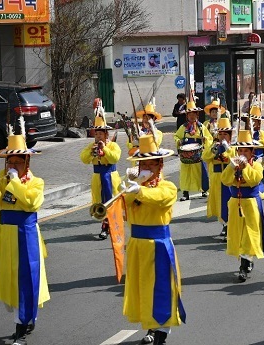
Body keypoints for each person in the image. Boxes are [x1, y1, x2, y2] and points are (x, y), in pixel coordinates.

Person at [0, 121, 48, 345]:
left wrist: (14, 182)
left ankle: (21, 327)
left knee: (26, 279)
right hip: (5, 235)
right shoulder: (4, 178)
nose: (12, 165)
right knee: (9, 280)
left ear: (27, 162)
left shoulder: (36, 182)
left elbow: (31, 202)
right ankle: (27, 315)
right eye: (9, 161)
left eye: (17, 162)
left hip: (25, 234)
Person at [123, 134, 185, 345]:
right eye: (142, 164)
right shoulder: (133, 186)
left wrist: (140, 189)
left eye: (151, 164)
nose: (146, 168)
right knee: (143, 288)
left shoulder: (167, 187)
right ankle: (151, 327)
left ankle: (160, 333)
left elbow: (159, 199)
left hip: (157, 245)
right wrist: (133, 184)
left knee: (160, 289)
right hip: (137, 245)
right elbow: (124, 203)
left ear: (160, 166)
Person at [221, 130, 264, 282]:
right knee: (238, 233)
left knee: (250, 234)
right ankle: (246, 259)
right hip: (235, 203)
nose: (243, 153)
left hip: (250, 203)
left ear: (252, 152)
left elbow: (254, 180)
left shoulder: (256, 166)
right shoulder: (233, 165)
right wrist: (231, 167)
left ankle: (243, 267)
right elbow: (225, 180)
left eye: (246, 150)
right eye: (241, 150)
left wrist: (245, 167)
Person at [80, 105, 122, 240]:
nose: (98, 136)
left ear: (106, 134)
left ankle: (112, 225)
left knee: (112, 200)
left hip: (111, 176)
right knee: (100, 201)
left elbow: (114, 158)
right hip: (97, 176)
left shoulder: (113, 145)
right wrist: (92, 154)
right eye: (96, 134)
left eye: (100, 134)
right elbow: (84, 159)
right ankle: (105, 225)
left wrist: (105, 150)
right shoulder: (90, 146)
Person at [202, 115, 235, 241]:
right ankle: (224, 225)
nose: (223, 137)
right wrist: (214, 150)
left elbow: (236, 159)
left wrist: (228, 150)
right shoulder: (213, 145)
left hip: (229, 179)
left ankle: (230, 226)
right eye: (221, 134)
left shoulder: (234, 147)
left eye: (225, 134)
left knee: (228, 203)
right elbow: (205, 157)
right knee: (219, 204)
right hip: (216, 178)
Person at [174, 96, 213, 200]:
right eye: (189, 114)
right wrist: (179, 141)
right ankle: (185, 193)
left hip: (199, 152)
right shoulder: (183, 127)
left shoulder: (201, 127)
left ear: (197, 115)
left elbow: (209, 138)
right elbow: (176, 136)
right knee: (186, 173)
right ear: (187, 116)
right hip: (186, 153)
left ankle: (204, 190)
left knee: (201, 171)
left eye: (193, 114)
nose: (192, 116)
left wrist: (205, 140)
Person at [244, 101, 264, 200]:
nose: (252, 123)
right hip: (248, 161)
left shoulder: (263, 135)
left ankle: (262, 192)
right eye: (251, 120)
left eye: (255, 121)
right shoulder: (245, 134)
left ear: (259, 123)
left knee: (262, 180)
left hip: (262, 162)